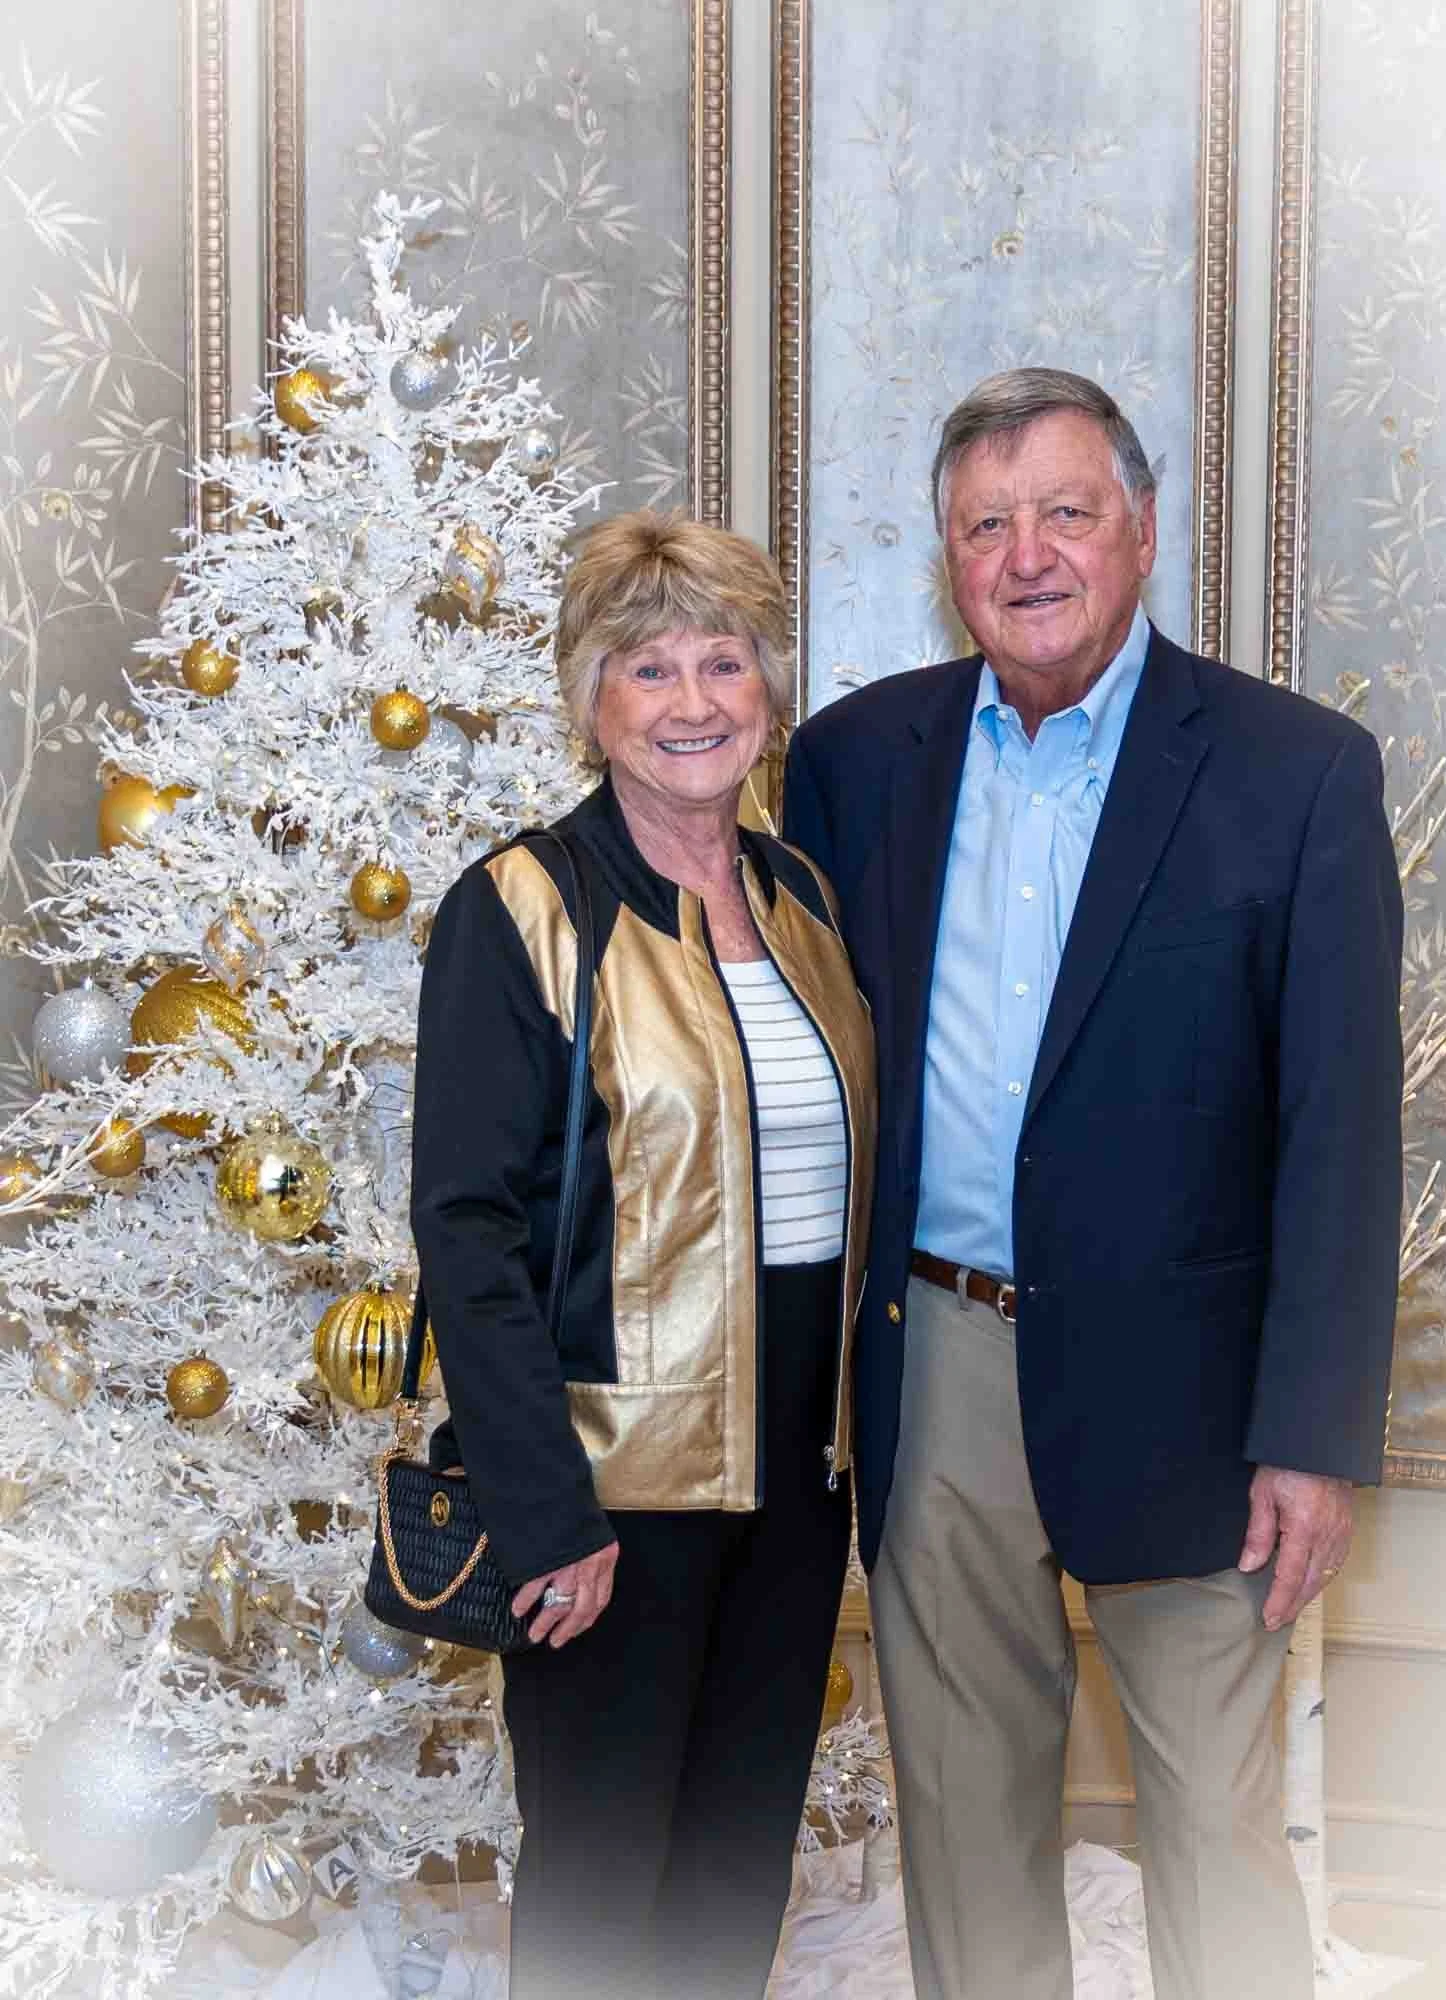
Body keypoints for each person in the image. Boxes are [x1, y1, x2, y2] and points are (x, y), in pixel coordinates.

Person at [783, 368, 1403, 2000]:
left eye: (1066, 510)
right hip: (939, 1366)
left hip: (1200, 1396)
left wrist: (1314, 1436)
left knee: (1214, 1824)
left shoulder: (1298, 773)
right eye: (987, 523)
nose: (1028, 553)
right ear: (946, 556)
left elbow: (1343, 1135)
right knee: (967, 1830)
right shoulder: (854, 763)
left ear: (1139, 530)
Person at [410, 509, 875, 2000]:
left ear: (769, 689)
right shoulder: (524, 908)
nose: (693, 703)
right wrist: (546, 1515)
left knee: (736, 1878)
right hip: (609, 1501)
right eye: (648, 668)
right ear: (591, 702)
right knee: (606, 1893)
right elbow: (465, 1233)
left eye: (724, 662)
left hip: (798, 1485)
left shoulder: (805, 901)